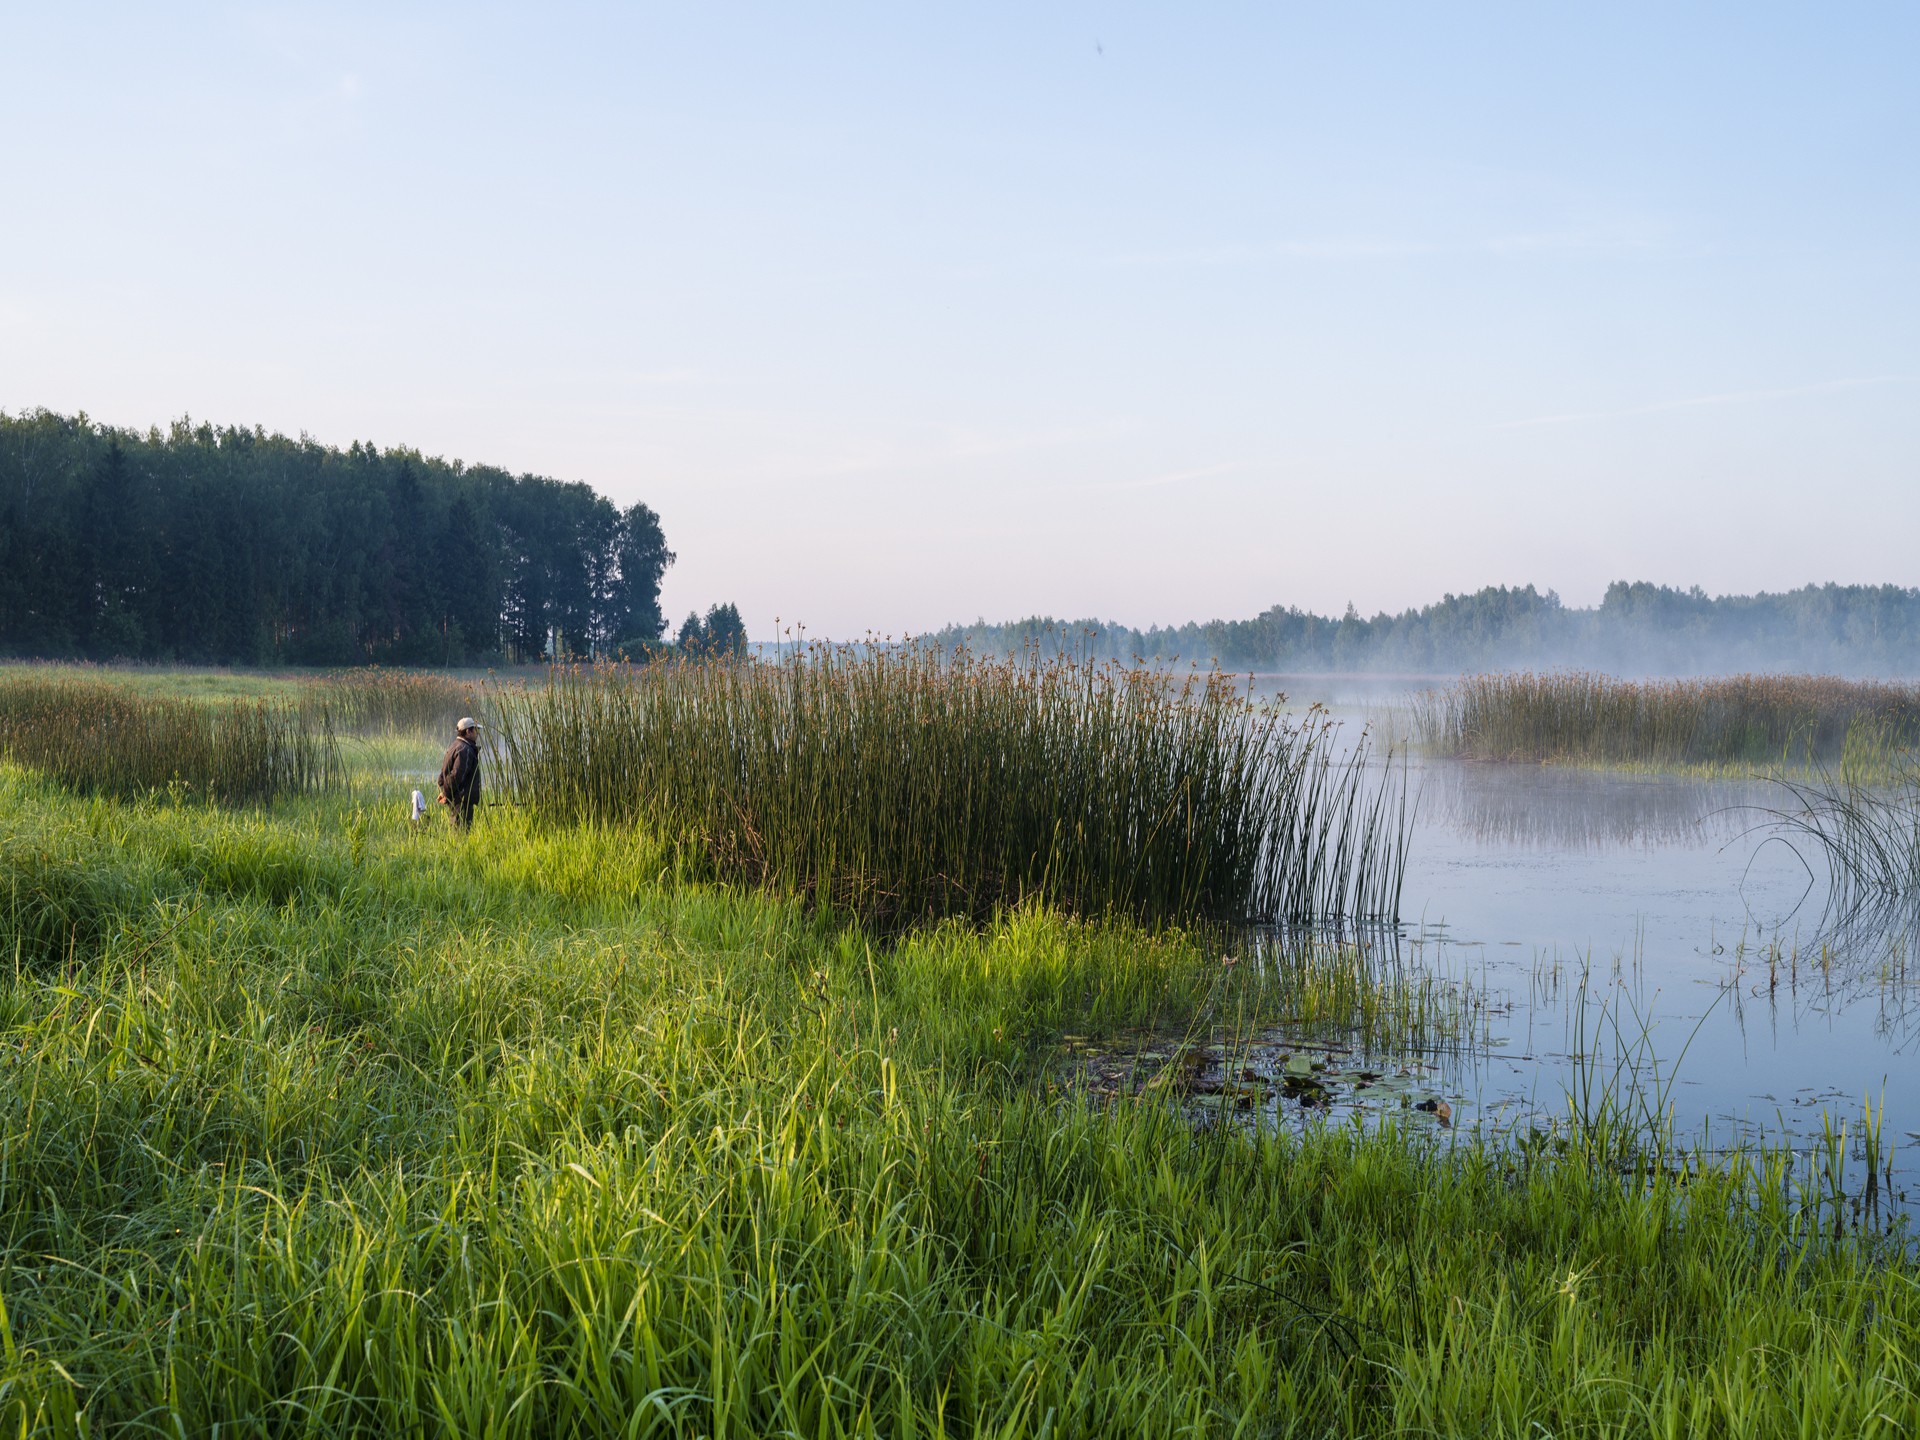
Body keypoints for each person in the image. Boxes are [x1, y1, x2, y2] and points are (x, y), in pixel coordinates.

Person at [437, 717, 482, 829]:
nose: (478, 733)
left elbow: (442, 776)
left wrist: (444, 792)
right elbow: (456, 776)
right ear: (468, 731)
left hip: (456, 798)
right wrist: (446, 794)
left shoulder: (455, 745)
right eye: (476, 730)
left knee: (457, 830)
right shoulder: (465, 750)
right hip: (461, 800)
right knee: (461, 832)